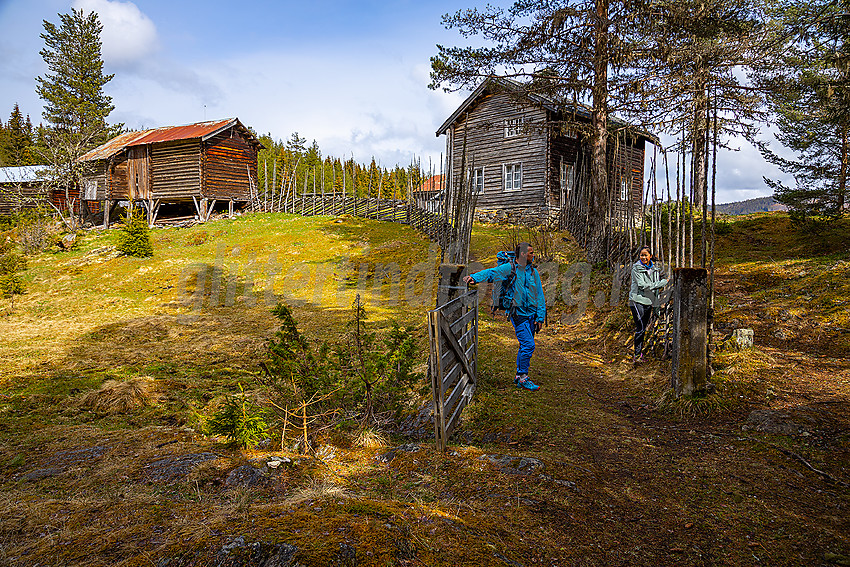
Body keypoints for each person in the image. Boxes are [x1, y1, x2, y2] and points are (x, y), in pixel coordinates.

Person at [463, 242, 546, 390]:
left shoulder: (534, 272)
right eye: (531, 253)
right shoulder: (510, 268)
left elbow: (540, 295)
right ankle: (522, 377)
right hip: (518, 314)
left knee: (524, 346)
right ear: (522, 254)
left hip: (532, 315)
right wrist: (474, 277)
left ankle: (519, 375)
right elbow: (492, 273)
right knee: (528, 345)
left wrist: (540, 317)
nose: (534, 255)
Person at [629, 246, 668, 364]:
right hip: (636, 300)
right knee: (640, 328)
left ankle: (639, 354)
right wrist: (661, 283)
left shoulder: (655, 269)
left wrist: (656, 307)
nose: (643, 257)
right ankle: (636, 355)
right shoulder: (636, 268)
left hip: (648, 302)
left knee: (643, 329)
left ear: (650, 256)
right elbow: (642, 285)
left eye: (646, 255)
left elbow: (655, 291)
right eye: (641, 255)